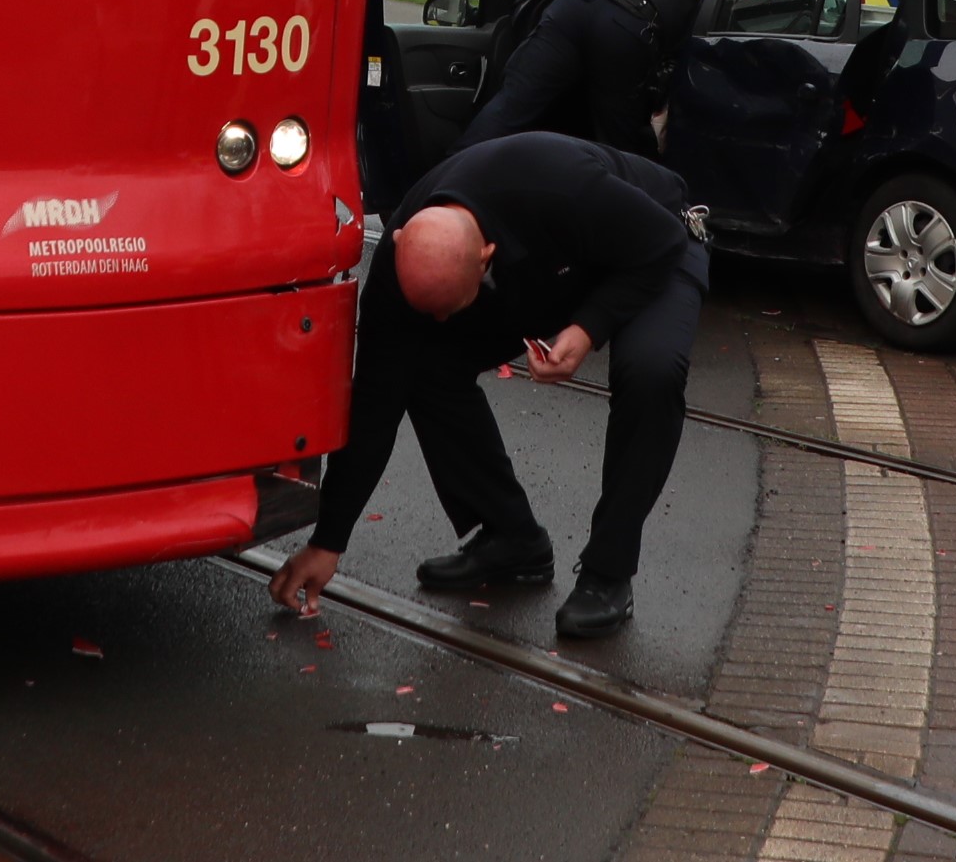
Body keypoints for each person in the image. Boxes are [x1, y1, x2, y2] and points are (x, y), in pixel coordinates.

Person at [269, 130, 706, 640]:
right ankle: (511, 538)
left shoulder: (556, 185)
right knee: (423, 363)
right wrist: (330, 539)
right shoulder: (399, 271)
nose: (436, 317)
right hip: (557, 264)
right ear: (398, 240)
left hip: (652, 243)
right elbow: (375, 400)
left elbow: (660, 244)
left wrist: (588, 328)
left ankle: (608, 574)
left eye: (447, 306)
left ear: (485, 257)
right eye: (427, 307)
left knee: (650, 370)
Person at [453, 0, 702, 165]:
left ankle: (446, 176)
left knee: (511, 106)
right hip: (627, 26)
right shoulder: (707, 0)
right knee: (620, 143)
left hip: (575, 5)